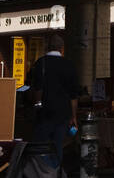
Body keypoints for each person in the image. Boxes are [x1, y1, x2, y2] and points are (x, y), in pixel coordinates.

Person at [29, 33, 79, 163]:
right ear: (62, 48)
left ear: (47, 47)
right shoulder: (69, 65)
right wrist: (73, 116)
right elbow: (73, 95)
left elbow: (37, 88)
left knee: (41, 145)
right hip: (63, 113)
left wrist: (37, 104)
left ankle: (41, 175)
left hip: (44, 112)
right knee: (58, 146)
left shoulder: (40, 63)